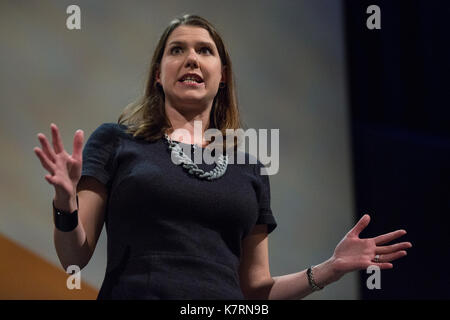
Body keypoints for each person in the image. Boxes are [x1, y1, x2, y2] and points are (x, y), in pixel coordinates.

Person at [34, 14, 412, 300]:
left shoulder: (250, 169)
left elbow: (254, 289)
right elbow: (74, 258)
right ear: (158, 76)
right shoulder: (117, 141)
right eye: (176, 50)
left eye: (204, 50)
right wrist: (65, 203)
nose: (191, 59)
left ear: (223, 74)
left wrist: (329, 271)